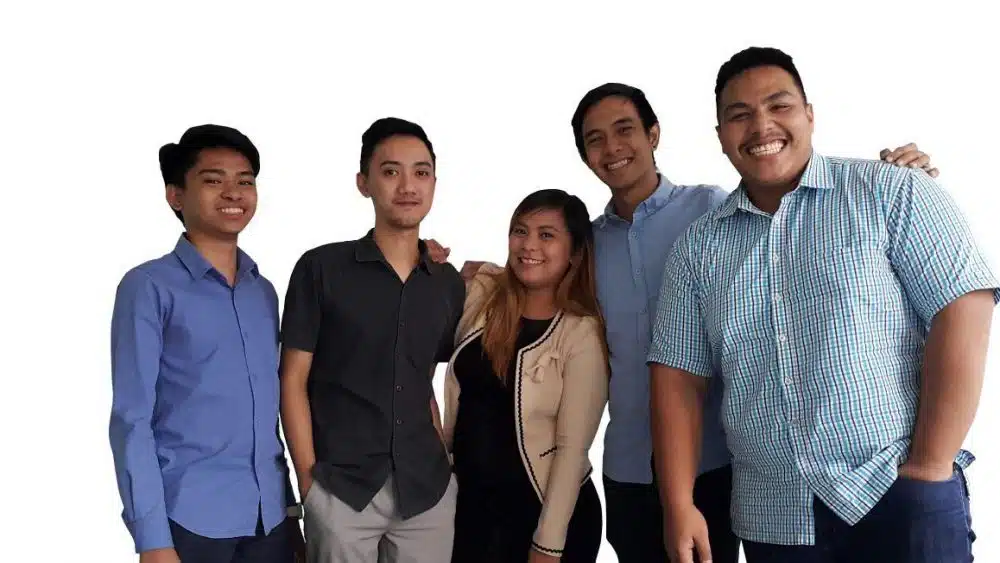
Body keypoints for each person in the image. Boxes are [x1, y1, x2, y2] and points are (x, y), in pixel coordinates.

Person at [433, 82, 939, 563]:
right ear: (586, 156)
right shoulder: (584, 245)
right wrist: (442, 265)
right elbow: (537, 272)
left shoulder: (714, 210)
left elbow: (789, 208)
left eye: (625, 129)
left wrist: (896, 175)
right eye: (595, 139)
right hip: (628, 468)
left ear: (653, 134)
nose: (612, 147)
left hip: (715, 463)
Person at [647, 46, 998, 563]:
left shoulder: (889, 191)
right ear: (721, 136)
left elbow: (963, 304)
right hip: (775, 519)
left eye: (779, 106)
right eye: (738, 115)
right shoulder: (698, 248)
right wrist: (678, 503)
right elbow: (678, 376)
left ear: (810, 114)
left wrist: (929, 466)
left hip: (897, 492)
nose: (761, 125)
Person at [109, 124, 304, 563]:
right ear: (176, 196)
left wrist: (290, 515)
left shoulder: (263, 291)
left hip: (267, 521)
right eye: (213, 180)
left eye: (245, 181)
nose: (233, 193)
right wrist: (153, 539)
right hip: (189, 521)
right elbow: (130, 420)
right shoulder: (148, 287)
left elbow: (266, 418)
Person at [279, 117, 466, 563]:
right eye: (390, 171)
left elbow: (423, 380)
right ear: (364, 183)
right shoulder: (321, 269)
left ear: (435, 182)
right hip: (342, 488)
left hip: (427, 490)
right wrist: (309, 484)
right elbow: (292, 380)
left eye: (421, 172)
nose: (407, 185)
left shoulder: (446, 283)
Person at [443, 189, 609, 563]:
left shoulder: (581, 332)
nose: (528, 244)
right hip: (469, 513)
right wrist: (424, 259)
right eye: (520, 231)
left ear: (575, 252)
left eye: (547, 235)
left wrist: (548, 545)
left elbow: (572, 451)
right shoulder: (483, 294)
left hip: (547, 517)